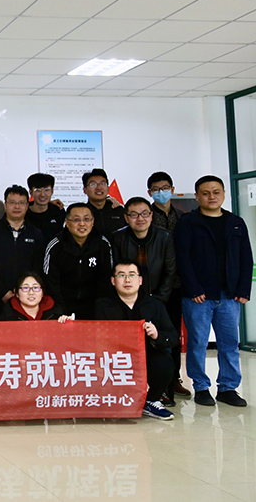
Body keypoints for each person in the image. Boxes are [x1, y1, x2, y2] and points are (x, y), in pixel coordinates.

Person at [174, 175, 252, 407]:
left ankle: (228, 388)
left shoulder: (236, 222)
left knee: (230, 344)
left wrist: (243, 289)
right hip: (198, 296)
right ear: (197, 196)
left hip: (229, 295)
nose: (211, 197)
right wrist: (193, 288)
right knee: (197, 343)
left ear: (224, 194)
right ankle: (201, 387)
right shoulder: (188, 223)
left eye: (216, 192)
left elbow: (246, 257)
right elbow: (182, 258)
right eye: (205, 193)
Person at [95, 261, 178, 420]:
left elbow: (173, 337)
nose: (127, 280)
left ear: (140, 280)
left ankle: (151, 401)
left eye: (132, 275)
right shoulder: (103, 305)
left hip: (146, 356)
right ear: (113, 281)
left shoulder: (155, 305)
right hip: (115, 358)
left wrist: (157, 335)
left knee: (164, 363)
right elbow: (95, 338)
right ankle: (117, 401)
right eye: (121, 275)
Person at [147, 170, 192, 402]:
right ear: (150, 193)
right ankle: (155, 382)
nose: (161, 193)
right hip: (151, 288)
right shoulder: (146, 216)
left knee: (172, 333)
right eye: (156, 189)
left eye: (165, 188)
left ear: (172, 190)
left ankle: (174, 378)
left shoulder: (184, 218)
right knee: (150, 334)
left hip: (175, 287)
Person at [0, 185, 45, 319]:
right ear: (5, 205)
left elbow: (38, 267)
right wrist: (3, 293)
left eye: (21, 203)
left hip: (28, 300)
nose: (17, 207)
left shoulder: (36, 234)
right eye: (12, 202)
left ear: (27, 205)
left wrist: (24, 292)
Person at [43, 203, 113, 320]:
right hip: (61, 307)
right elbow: (51, 282)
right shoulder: (55, 246)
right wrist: (61, 311)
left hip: (95, 308)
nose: (82, 224)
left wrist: (100, 309)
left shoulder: (103, 244)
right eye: (76, 220)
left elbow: (106, 281)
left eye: (86, 219)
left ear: (93, 222)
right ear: (66, 222)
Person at [109, 197, 177, 304]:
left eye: (145, 214)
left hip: (160, 299)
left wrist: (159, 299)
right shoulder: (118, 238)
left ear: (151, 216)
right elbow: (116, 271)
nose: (140, 219)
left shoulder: (164, 237)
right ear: (126, 218)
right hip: (127, 299)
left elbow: (170, 271)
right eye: (134, 215)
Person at [0, 272, 70, 322]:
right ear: (16, 293)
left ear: (42, 292)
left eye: (36, 288)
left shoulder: (54, 313)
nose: (31, 293)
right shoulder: (7, 316)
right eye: (26, 288)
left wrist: (66, 323)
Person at [83, 169, 127, 240]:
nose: (99, 188)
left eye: (103, 184)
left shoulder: (119, 210)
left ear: (108, 188)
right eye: (93, 184)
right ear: (85, 190)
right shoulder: (82, 213)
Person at [25, 173, 66, 243]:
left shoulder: (58, 211)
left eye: (47, 190)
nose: (43, 194)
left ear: (52, 191)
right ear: (31, 192)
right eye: (38, 190)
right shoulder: (24, 213)